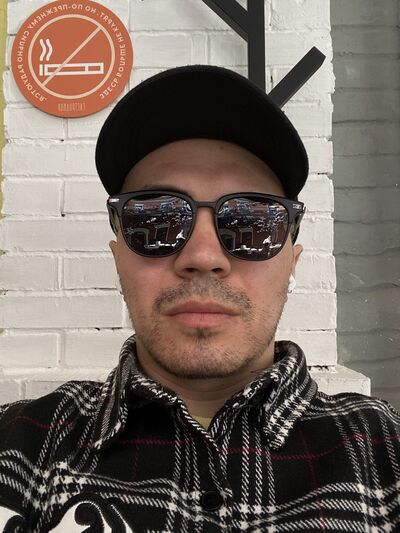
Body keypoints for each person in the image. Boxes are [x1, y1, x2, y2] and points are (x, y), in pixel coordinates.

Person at [0, 65, 399, 533]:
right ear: (118, 257)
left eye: (252, 222)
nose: (203, 257)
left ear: (292, 260)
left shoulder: (385, 452)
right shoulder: (19, 446)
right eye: (155, 220)